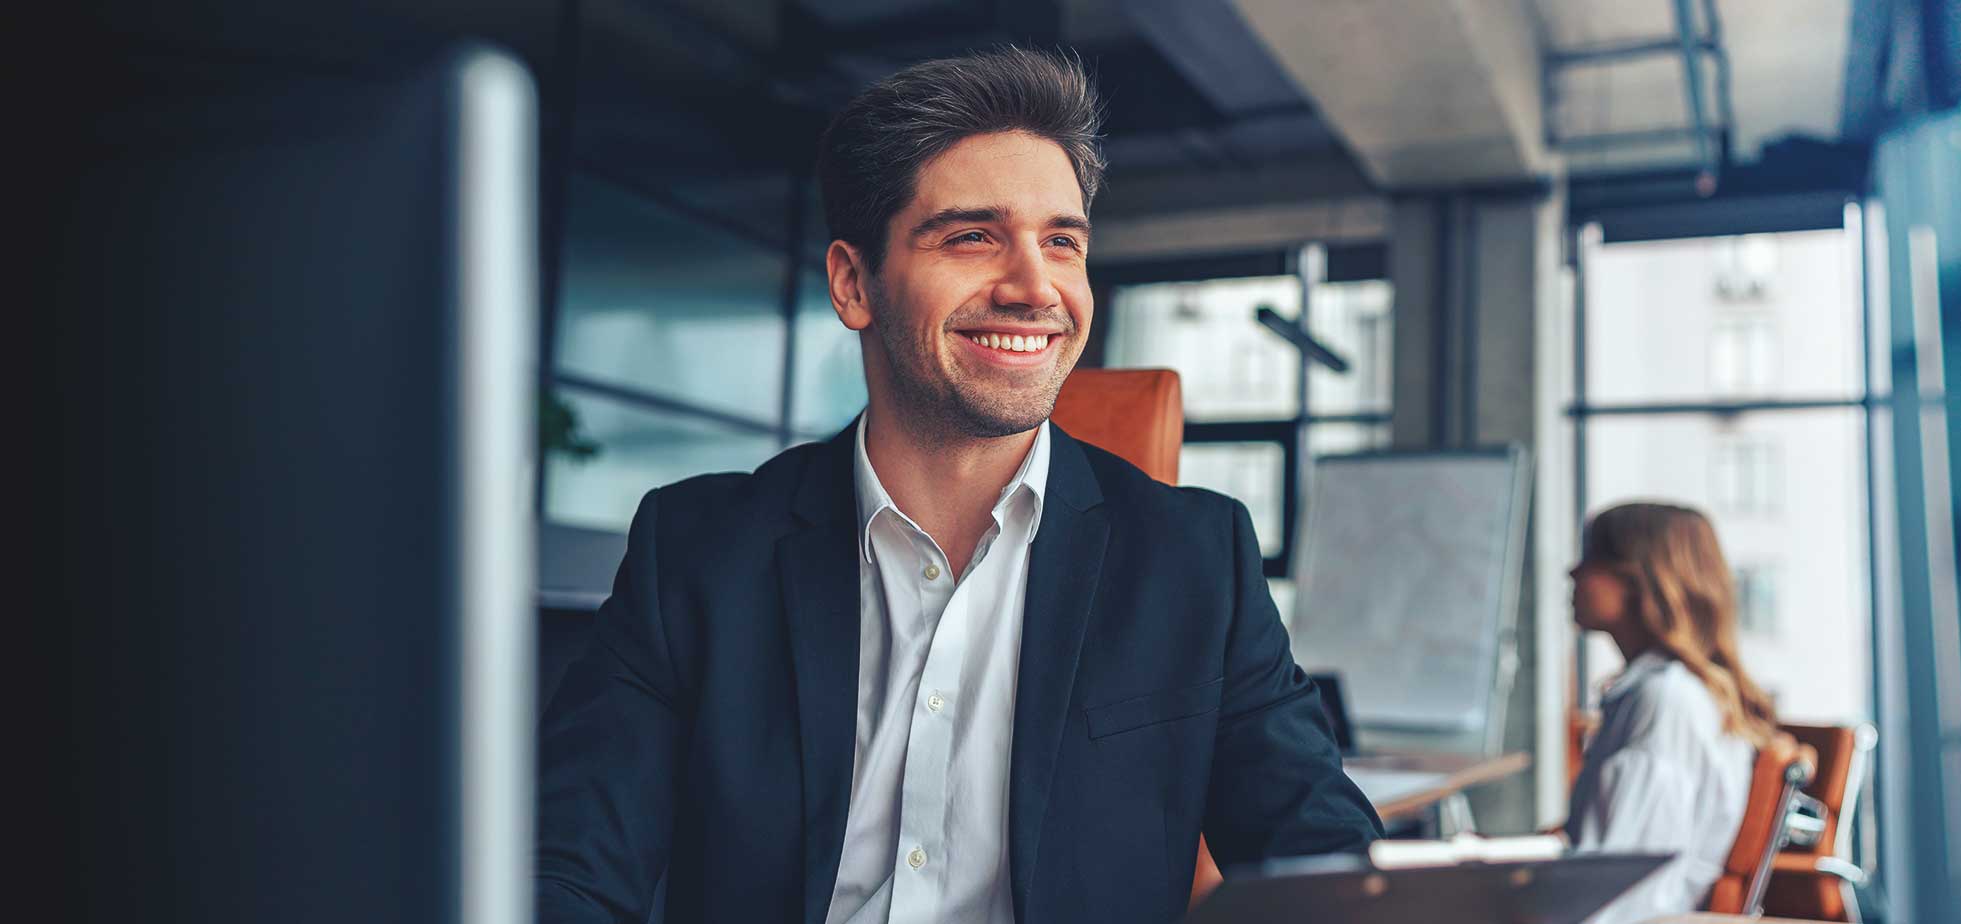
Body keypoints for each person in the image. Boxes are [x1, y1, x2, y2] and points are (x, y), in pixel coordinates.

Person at [534, 47, 1381, 924]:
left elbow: (1327, 867)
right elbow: (565, 871)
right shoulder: (699, 551)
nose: (1034, 285)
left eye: (1062, 241)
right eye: (973, 236)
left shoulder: (1196, 558)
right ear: (855, 283)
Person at [1564, 502, 1785, 924]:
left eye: (1592, 558)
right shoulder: (1667, 693)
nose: (1572, 573)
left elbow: (1615, 894)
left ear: (1639, 578)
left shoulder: (1664, 702)